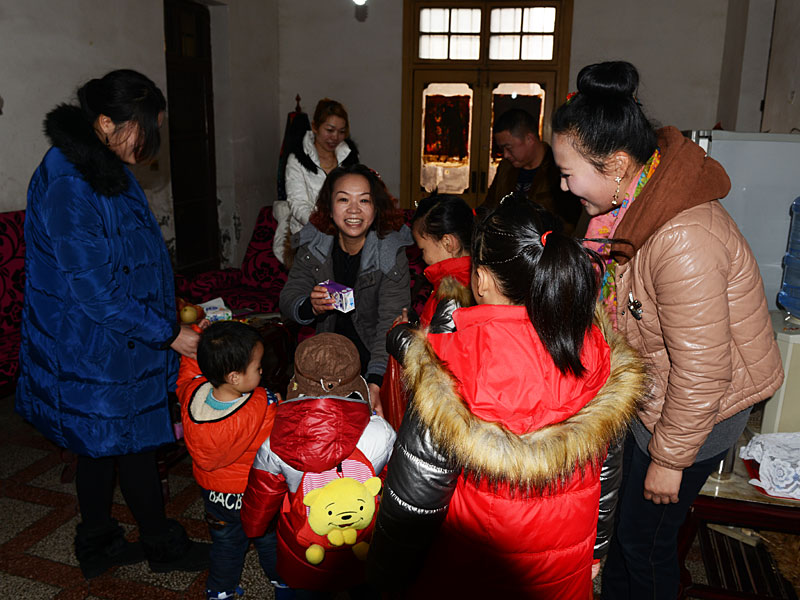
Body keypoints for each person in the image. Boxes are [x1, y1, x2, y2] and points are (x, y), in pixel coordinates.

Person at [550, 61, 785, 600]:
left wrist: (668, 461)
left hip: (701, 412)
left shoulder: (682, 239)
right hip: (659, 391)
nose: (562, 187)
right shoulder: (627, 209)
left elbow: (703, 372)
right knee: (625, 530)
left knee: (645, 543)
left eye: (567, 173)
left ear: (615, 165)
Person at [367, 198, 647, 598]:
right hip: (564, 576)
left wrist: (383, 581)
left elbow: (413, 505)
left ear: (481, 279)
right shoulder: (596, 351)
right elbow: (607, 475)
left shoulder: (450, 367)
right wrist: (596, 552)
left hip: (472, 576)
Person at [16, 69, 209, 578]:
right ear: (106, 122)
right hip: (96, 345)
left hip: (119, 339)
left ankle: (98, 544)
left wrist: (165, 305)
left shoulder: (100, 165)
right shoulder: (69, 180)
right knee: (133, 445)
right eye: (146, 129)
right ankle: (161, 547)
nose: (152, 144)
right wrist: (169, 333)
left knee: (99, 449)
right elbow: (95, 291)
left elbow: (128, 255)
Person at [241, 333, 395, 599]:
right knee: (364, 585)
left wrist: (253, 527)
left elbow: (261, 495)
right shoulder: (381, 431)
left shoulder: (275, 441)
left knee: (305, 592)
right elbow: (392, 482)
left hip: (304, 547)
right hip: (362, 540)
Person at [279, 164, 413, 417]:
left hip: (374, 361)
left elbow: (389, 323)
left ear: (376, 208)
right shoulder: (315, 245)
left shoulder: (390, 252)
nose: (354, 210)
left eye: (364, 200)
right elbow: (288, 297)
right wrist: (310, 306)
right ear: (329, 208)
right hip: (328, 360)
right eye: (343, 200)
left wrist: (375, 382)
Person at [177, 320, 291, 600]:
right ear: (235, 377)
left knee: (226, 543)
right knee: (268, 538)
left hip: (215, 494)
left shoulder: (192, 393)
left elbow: (188, 371)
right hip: (254, 494)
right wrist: (278, 405)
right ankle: (283, 582)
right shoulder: (262, 405)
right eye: (257, 367)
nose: (261, 371)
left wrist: (202, 338)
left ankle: (220, 590)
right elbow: (280, 442)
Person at [380, 193, 474, 429]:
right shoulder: (464, 280)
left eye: (422, 249)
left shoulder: (454, 291)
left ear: (448, 243)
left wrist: (399, 333)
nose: (421, 256)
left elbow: (435, 362)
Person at [274, 98, 360, 266]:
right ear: (315, 127)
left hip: (344, 235)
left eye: (341, 131)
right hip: (308, 235)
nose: (335, 137)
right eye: (330, 130)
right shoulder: (297, 159)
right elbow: (298, 203)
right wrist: (324, 224)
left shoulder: (349, 157)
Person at [480, 108, 582, 233]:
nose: (505, 155)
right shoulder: (505, 168)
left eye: (508, 147)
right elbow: (489, 207)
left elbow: (569, 223)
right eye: (502, 149)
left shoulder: (558, 169)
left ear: (529, 139)